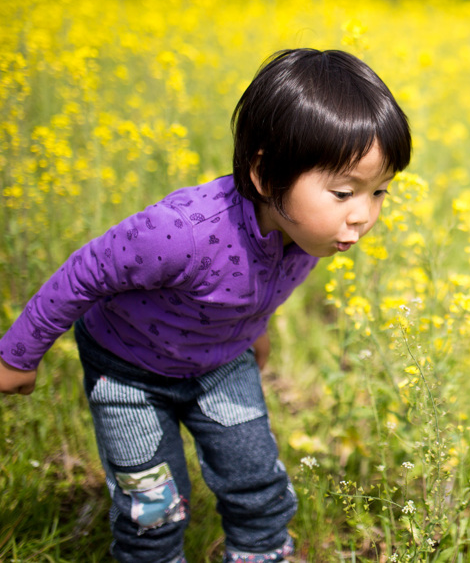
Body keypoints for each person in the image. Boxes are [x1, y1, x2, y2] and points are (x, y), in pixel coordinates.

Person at [0, 48, 413, 563]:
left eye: (379, 193)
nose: (362, 216)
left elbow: (251, 289)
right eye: (344, 191)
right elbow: (84, 273)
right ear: (266, 176)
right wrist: (18, 355)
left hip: (221, 363)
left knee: (258, 484)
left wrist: (254, 330)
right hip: (129, 373)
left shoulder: (313, 234)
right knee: (152, 511)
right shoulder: (181, 233)